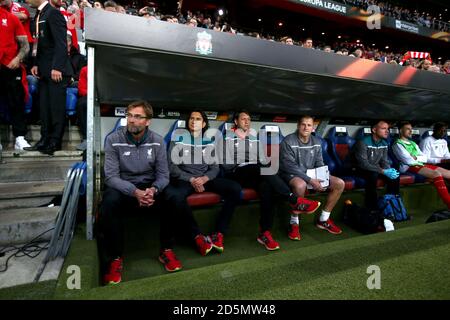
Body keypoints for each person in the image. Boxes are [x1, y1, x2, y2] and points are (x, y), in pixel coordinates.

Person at [99, 101, 177, 285]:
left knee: (174, 195)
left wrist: (153, 190)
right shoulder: (113, 139)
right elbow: (110, 177)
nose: (131, 120)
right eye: (129, 115)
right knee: (109, 201)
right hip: (125, 188)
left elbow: (164, 175)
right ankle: (115, 257)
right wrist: (135, 192)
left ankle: (166, 250)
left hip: (149, 188)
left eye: (137, 116)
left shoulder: (157, 141)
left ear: (148, 121)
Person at [222, 110, 321, 250]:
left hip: (256, 173)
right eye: (243, 119)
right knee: (261, 168)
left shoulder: (254, 138)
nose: (247, 122)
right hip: (238, 171)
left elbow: (262, 159)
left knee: (267, 187)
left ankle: (265, 233)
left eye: (249, 119)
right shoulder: (227, 138)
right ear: (236, 122)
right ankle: (293, 199)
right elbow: (225, 165)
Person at [165, 110, 241, 256]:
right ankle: (197, 236)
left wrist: (205, 178)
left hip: (205, 179)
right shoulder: (178, 138)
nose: (194, 121)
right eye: (191, 118)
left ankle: (219, 233)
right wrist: (191, 179)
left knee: (235, 189)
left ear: (204, 123)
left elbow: (214, 167)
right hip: (185, 179)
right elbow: (172, 167)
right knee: (176, 196)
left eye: (198, 119)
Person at [279, 116, 344, 239]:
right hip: (291, 173)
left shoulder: (316, 141)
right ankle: (294, 223)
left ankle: (323, 220)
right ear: (298, 126)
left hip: (311, 174)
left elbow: (319, 162)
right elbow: (289, 166)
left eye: (309, 125)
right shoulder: (288, 141)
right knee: (300, 185)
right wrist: (310, 180)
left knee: (339, 183)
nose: (306, 127)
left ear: (313, 127)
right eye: (303, 124)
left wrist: (323, 177)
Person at [24, 0, 73, 155]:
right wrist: (36, 63)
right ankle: (44, 139)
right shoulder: (39, 14)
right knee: (44, 108)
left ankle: (55, 141)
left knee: (56, 108)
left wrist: (57, 67)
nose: (25, 1)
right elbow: (39, 43)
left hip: (56, 70)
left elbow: (61, 43)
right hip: (44, 70)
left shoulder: (54, 13)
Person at [393, 121, 450, 209]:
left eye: (411, 129)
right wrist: (416, 158)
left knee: (449, 173)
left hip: (420, 165)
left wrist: (415, 157)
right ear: (401, 130)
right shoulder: (397, 144)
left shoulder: (413, 143)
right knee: (436, 174)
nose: (410, 131)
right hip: (408, 167)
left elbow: (425, 158)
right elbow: (408, 161)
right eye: (408, 129)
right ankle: (448, 203)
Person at [0, 0, 32, 150]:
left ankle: (20, 137)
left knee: (17, 102)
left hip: (10, 66)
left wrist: (17, 59)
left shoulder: (11, 18)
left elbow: (25, 44)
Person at [353, 120, 400, 209]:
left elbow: (384, 161)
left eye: (388, 129)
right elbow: (364, 164)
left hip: (374, 168)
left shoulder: (384, 143)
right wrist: (383, 171)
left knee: (395, 176)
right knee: (373, 175)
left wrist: (389, 170)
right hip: (358, 169)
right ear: (374, 130)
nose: (387, 131)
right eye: (383, 128)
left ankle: (393, 205)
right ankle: (372, 208)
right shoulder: (363, 142)